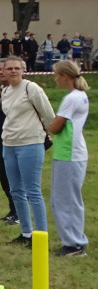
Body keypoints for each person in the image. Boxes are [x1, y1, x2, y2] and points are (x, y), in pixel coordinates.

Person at [0, 56, 55, 247]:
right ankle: (26, 233)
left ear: (23, 70)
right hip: (9, 144)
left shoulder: (31, 88)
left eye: (17, 68)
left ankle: (40, 236)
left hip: (31, 143)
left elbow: (48, 114)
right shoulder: (5, 90)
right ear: (4, 72)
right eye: (10, 69)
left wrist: (50, 133)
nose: (13, 71)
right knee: (16, 190)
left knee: (33, 191)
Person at [48, 60, 89, 257]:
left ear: (65, 76)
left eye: (56, 75)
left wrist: (49, 127)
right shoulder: (80, 95)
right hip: (68, 153)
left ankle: (75, 244)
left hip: (69, 154)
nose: (55, 79)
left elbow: (56, 126)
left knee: (66, 200)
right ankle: (73, 241)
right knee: (64, 199)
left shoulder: (71, 98)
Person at [0, 62, 18, 225]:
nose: (0, 73)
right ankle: (13, 210)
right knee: (4, 177)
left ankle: (20, 213)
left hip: (13, 140)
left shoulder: (19, 92)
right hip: (1, 139)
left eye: (3, 70)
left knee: (14, 177)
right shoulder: (1, 90)